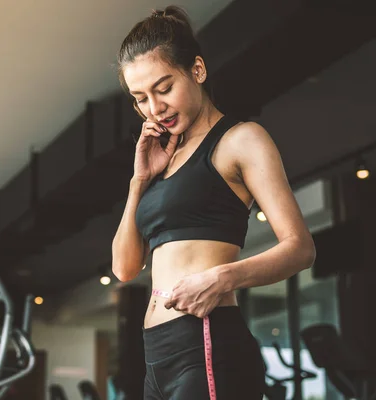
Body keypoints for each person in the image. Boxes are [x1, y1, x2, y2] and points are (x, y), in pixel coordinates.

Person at [111, 5, 316, 400]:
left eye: (164, 88)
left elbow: (301, 248)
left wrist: (222, 277)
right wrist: (139, 182)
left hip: (205, 343)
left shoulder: (240, 140)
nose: (154, 108)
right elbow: (124, 268)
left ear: (198, 71)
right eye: (140, 98)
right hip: (156, 356)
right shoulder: (162, 159)